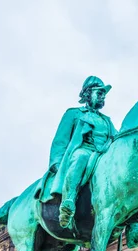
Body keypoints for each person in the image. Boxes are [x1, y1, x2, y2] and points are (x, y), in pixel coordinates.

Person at [46, 76, 117, 228]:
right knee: (81, 157)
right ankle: (68, 202)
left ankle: (133, 224)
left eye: (104, 94)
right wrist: (56, 162)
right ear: (87, 94)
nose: (103, 96)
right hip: (84, 151)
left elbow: (118, 139)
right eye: (99, 93)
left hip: (104, 156)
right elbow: (61, 140)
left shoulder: (107, 120)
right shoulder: (74, 114)